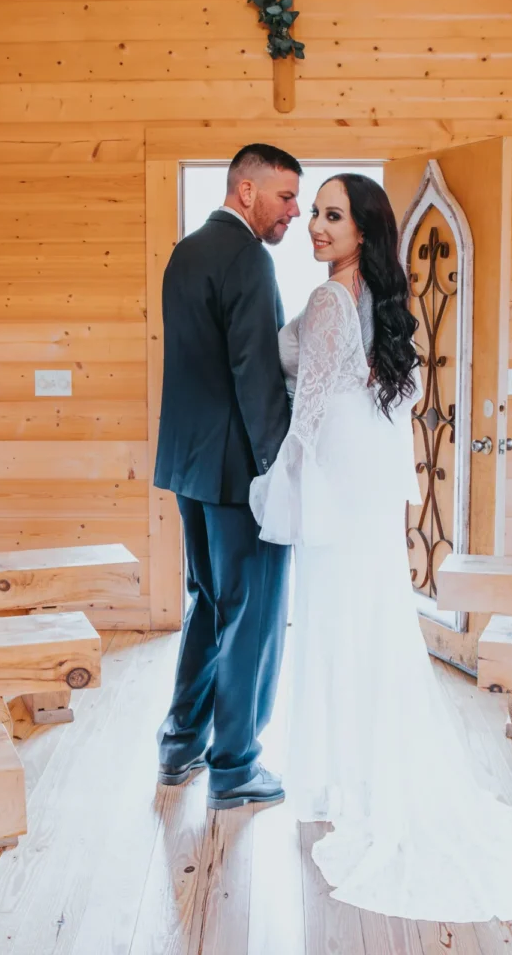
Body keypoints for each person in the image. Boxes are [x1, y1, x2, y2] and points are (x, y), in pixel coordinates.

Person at [249, 173, 512, 922]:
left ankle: (339, 776)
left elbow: (305, 417)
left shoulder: (330, 302)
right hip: (367, 488)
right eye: (312, 212)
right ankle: (361, 769)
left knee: (338, 628)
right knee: (369, 628)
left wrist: (276, 490)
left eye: (332, 216)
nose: (315, 225)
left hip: (336, 491)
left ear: (364, 231)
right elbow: (394, 407)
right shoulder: (382, 307)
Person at [153, 143, 303, 811]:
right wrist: (280, 473)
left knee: (210, 603)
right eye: (285, 196)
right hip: (241, 471)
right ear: (247, 190)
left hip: (189, 464)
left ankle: (180, 741)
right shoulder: (247, 258)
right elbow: (256, 375)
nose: (295, 211)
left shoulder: (186, 252)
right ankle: (236, 764)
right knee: (254, 614)